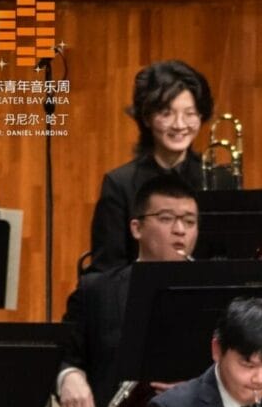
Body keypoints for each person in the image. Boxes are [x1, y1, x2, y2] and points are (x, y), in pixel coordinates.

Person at [55, 173, 199, 407]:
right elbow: (62, 356)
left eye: (190, 221)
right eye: (166, 218)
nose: (180, 230)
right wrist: (69, 377)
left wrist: (198, 388)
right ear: (136, 228)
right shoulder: (96, 291)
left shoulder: (213, 292)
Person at [89, 59, 212, 270]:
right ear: (147, 118)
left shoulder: (215, 178)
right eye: (166, 113)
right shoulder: (120, 184)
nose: (180, 125)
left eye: (190, 114)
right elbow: (107, 270)